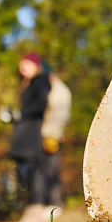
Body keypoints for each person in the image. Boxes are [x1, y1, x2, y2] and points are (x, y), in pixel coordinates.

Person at [6, 52, 58, 222]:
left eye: (26, 65)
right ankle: (31, 204)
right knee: (25, 170)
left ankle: (36, 205)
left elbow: (39, 106)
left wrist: (20, 114)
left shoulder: (41, 82)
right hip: (25, 132)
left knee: (35, 169)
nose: (22, 69)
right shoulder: (27, 84)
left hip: (33, 132)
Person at [40, 62, 72, 211]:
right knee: (48, 169)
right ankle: (53, 202)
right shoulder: (58, 89)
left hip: (52, 134)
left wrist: (49, 132)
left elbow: (57, 116)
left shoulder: (59, 91)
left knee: (52, 169)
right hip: (51, 133)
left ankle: (55, 203)